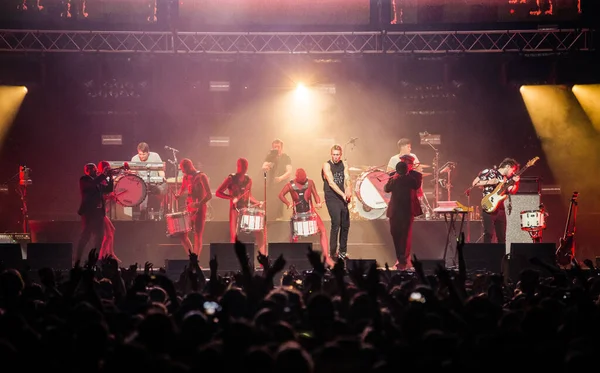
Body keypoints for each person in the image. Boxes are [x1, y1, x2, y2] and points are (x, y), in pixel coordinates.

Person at [279, 168, 333, 267]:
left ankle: (326, 256)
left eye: (305, 179)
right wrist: (288, 203)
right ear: (297, 177)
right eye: (302, 179)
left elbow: (316, 195)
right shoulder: (290, 185)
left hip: (311, 211)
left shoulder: (310, 183)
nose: (304, 181)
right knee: (293, 236)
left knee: (323, 230)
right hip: (297, 214)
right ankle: (292, 258)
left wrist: (318, 202)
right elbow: (281, 195)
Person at [216, 158, 266, 255]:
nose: (244, 169)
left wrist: (258, 202)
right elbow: (218, 192)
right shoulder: (231, 179)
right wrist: (231, 197)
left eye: (245, 167)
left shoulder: (248, 180)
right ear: (238, 166)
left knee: (259, 231)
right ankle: (233, 259)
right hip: (235, 209)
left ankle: (263, 257)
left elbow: (249, 196)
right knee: (234, 236)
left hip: (245, 210)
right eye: (242, 166)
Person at [472, 158, 520, 244]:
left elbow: (512, 191)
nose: (513, 173)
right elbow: (474, 183)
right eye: (512, 170)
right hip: (488, 205)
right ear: (508, 166)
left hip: (500, 208)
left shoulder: (506, 179)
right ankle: (486, 255)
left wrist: (516, 182)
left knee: (501, 236)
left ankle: (501, 256)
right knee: (488, 234)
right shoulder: (490, 172)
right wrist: (490, 181)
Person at [384, 161, 422, 270]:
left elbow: (415, 185)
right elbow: (387, 189)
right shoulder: (393, 175)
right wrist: (394, 178)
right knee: (395, 234)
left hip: (407, 210)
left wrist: (405, 176)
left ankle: (402, 261)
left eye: (408, 163)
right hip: (395, 210)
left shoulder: (415, 175)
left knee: (405, 236)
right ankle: (400, 258)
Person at [75, 163, 113, 262]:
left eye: (95, 169)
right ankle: (78, 259)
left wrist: (110, 177)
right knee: (85, 236)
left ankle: (94, 260)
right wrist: (104, 175)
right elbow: (93, 184)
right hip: (89, 213)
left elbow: (109, 189)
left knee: (99, 238)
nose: (95, 171)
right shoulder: (84, 180)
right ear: (87, 171)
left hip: (99, 214)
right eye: (92, 169)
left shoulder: (98, 182)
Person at [175, 158, 212, 256]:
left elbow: (209, 195)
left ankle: (196, 260)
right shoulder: (186, 177)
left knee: (197, 235)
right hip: (189, 208)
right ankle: (192, 257)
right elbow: (183, 187)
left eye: (184, 170)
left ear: (189, 167)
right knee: (183, 235)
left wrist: (199, 203)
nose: (183, 172)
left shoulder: (201, 176)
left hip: (200, 209)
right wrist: (179, 194)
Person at [321, 144, 352, 261]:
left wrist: (348, 188)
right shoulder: (326, 165)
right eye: (334, 155)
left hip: (342, 197)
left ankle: (343, 251)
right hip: (331, 197)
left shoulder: (344, 164)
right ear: (331, 154)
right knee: (336, 223)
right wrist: (343, 194)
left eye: (338, 155)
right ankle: (332, 252)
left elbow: (347, 177)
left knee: (345, 224)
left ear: (341, 155)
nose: (336, 157)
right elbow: (331, 182)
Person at [131, 142, 166, 219]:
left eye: (144, 154)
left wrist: (162, 177)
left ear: (148, 152)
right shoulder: (134, 159)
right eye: (140, 154)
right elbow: (133, 174)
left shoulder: (155, 156)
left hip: (155, 183)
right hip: (142, 183)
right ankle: (143, 212)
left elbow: (160, 170)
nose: (142, 156)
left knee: (165, 187)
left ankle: (163, 211)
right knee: (144, 188)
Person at [261, 139, 292, 221]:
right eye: (274, 147)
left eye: (278, 147)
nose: (276, 149)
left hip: (282, 186)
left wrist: (280, 178)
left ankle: (281, 220)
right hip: (271, 185)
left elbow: (289, 171)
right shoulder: (270, 156)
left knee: (280, 205)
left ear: (281, 147)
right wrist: (267, 166)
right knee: (271, 204)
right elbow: (263, 167)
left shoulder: (286, 157)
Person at [97, 161, 119, 262]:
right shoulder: (99, 179)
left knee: (112, 231)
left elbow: (108, 190)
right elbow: (101, 194)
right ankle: (101, 256)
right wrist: (109, 196)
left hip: (102, 212)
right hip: (98, 212)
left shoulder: (104, 179)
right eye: (106, 168)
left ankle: (110, 252)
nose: (108, 169)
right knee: (108, 235)